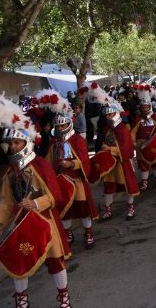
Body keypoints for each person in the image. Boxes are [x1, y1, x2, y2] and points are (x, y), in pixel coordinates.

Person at [0, 87, 73, 308]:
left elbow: (55, 196)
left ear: (26, 142)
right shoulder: (9, 172)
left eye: (17, 142)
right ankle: (22, 299)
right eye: (10, 143)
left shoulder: (41, 165)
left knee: (56, 261)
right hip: (20, 223)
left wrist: (35, 203)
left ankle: (63, 296)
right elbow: (6, 201)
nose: (13, 146)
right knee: (18, 261)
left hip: (44, 222)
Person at [37, 89, 98, 250]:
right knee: (65, 210)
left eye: (63, 124)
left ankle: (88, 232)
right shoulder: (54, 143)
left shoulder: (77, 140)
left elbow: (85, 159)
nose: (60, 127)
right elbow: (48, 162)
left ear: (69, 123)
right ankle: (68, 232)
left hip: (77, 181)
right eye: (58, 125)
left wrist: (72, 164)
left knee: (83, 209)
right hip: (60, 182)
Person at [88, 83, 140, 220]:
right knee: (109, 186)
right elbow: (105, 142)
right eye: (107, 115)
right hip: (110, 163)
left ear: (116, 114)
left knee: (128, 185)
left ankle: (131, 208)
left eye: (110, 114)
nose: (108, 117)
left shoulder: (123, 128)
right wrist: (104, 148)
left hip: (122, 162)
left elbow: (127, 148)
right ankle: (108, 210)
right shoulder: (107, 129)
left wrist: (110, 149)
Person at [131, 85, 156, 191]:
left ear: (149, 107)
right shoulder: (138, 119)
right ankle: (144, 184)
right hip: (141, 144)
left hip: (154, 143)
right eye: (143, 107)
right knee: (143, 165)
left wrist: (155, 123)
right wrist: (134, 143)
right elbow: (133, 132)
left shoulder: (155, 117)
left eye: (146, 107)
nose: (144, 109)